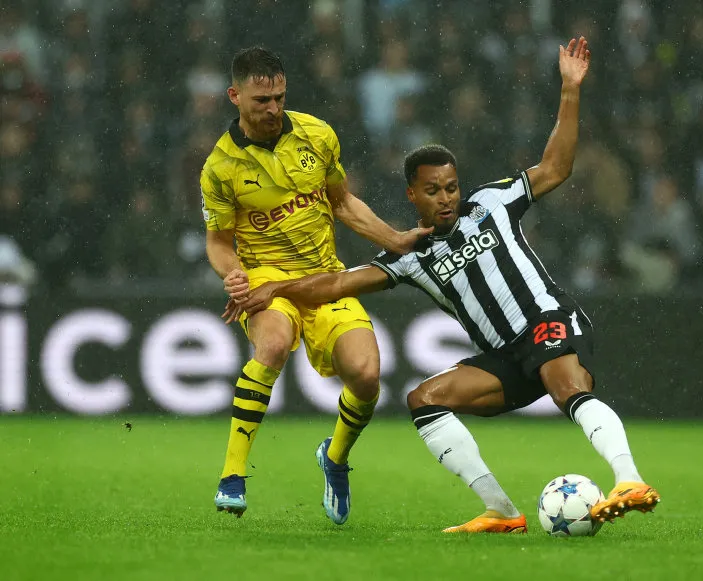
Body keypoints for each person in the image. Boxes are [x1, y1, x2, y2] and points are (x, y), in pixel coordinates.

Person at [230, 38, 660, 533]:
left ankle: (629, 480)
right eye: (433, 191)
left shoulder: (493, 203)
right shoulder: (412, 257)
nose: (446, 198)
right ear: (412, 195)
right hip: (505, 357)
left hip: (546, 322)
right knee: (423, 399)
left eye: (452, 187)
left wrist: (569, 90)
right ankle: (502, 512)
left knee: (566, 388)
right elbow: (336, 284)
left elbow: (556, 168)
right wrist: (277, 290)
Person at [201, 47, 430, 524]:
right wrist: (232, 273)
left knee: (366, 376)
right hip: (266, 277)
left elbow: (341, 202)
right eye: (261, 100)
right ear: (234, 96)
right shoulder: (219, 167)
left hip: (325, 275)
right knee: (273, 344)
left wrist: (394, 239)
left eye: (279, 98)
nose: (273, 109)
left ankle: (335, 457)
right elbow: (219, 242)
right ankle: (232, 473)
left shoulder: (317, 134)